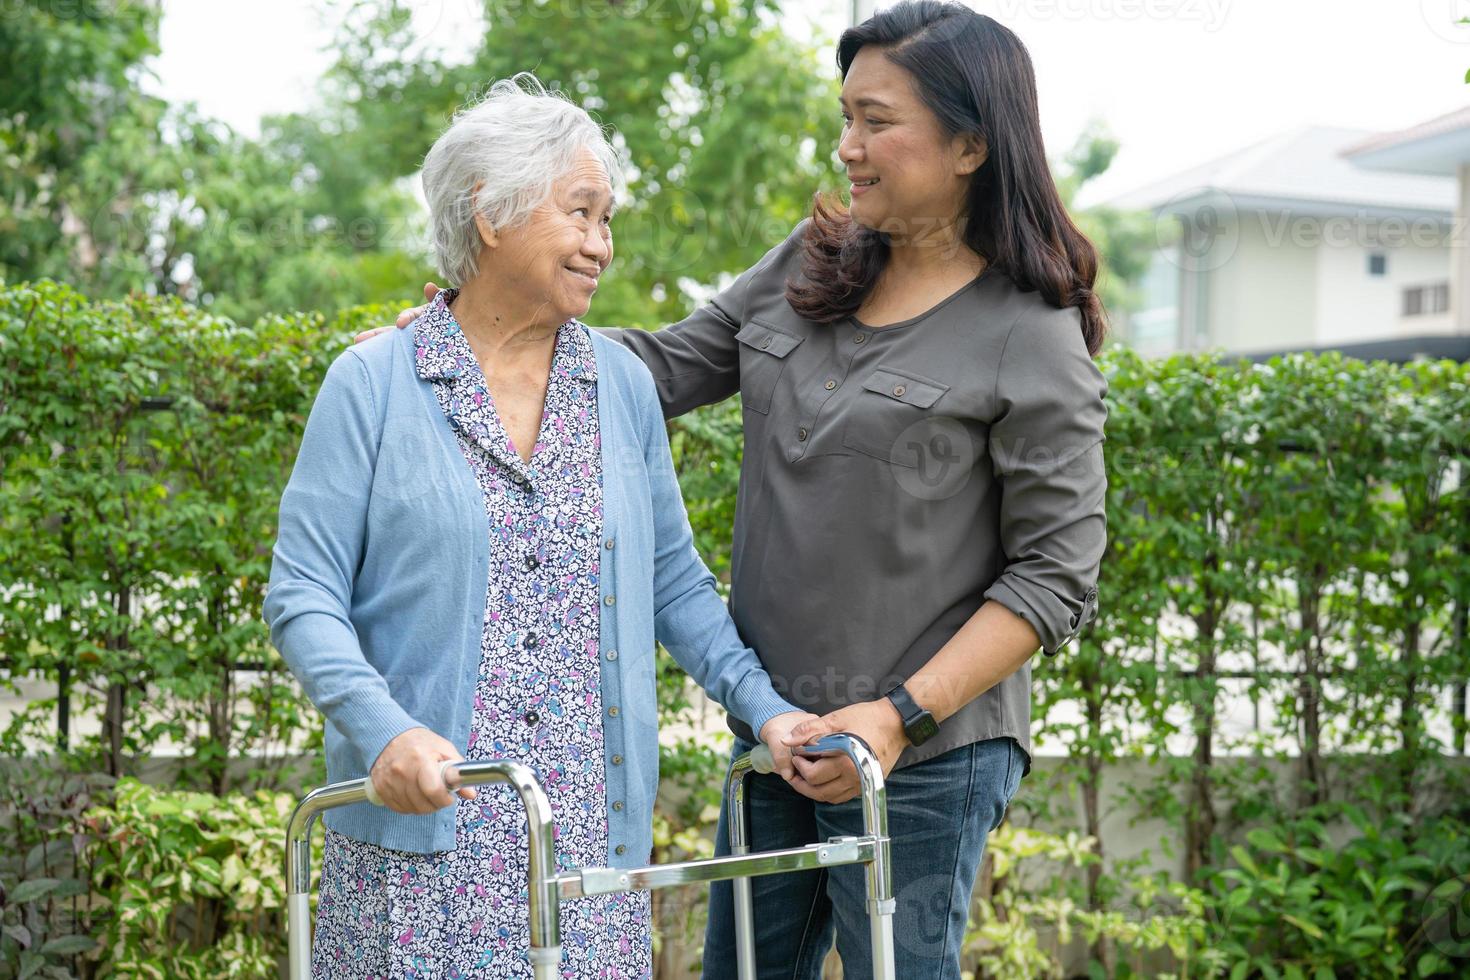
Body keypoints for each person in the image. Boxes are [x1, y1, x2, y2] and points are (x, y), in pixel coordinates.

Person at [375, 3, 1109, 975]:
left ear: (971, 141)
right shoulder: (815, 264)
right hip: (777, 733)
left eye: (876, 121)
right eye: (845, 116)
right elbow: (664, 367)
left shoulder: (1032, 331)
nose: (848, 147)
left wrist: (897, 714)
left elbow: (1056, 576)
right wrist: (483, 331)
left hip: (926, 754)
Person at [264, 74, 814, 979]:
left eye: (608, 221)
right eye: (583, 213)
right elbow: (303, 593)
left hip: (585, 854)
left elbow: (674, 586)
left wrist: (770, 713)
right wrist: (383, 730)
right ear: (490, 212)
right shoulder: (371, 385)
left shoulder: (622, 388)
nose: (603, 245)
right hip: (417, 855)